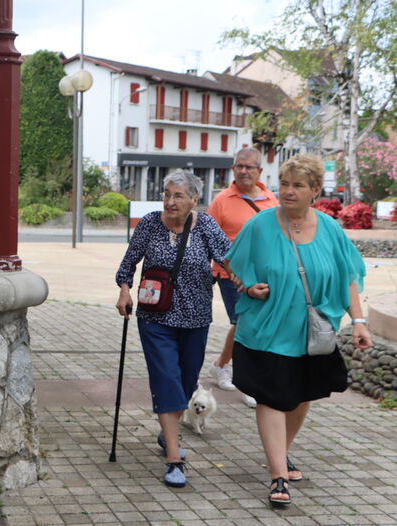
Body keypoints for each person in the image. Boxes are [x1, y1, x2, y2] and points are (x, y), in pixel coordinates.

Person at [225, 154, 372, 507]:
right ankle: (277, 474)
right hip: (266, 329)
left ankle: (281, 453)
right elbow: (232, 262)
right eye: (285, 184)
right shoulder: (261, 225)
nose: (288, 191)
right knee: (272, 396)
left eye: (298, 186)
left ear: (315, 191)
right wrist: (247, 287)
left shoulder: (330, 229)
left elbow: (347, 276)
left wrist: (360, 320)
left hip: (310, 334)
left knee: (302, 394)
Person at [115, 169, 231, 488]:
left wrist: (248, 284)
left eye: (178, 195)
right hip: (155, 318)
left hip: (196, 319)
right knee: (166, 380)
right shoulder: (151, 223)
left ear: (194, 199)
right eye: (167, 194)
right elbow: (128, 264)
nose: (170, 201)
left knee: (185, 382)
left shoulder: (205, 224)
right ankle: (174, 458)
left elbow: (229, 258)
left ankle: (167, 432)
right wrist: (125, 291)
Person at [207, 147, 278, 407]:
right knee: (244, 322)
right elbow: (207, 239)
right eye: (239, 166)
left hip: (266, 274)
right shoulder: (222, 200)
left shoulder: (271, 199)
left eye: (249, 167)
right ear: (233, 169)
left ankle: (221, 364)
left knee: (249, 323)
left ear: (260, 171)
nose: (244, 171)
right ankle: (248, 381)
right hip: (231, 274)